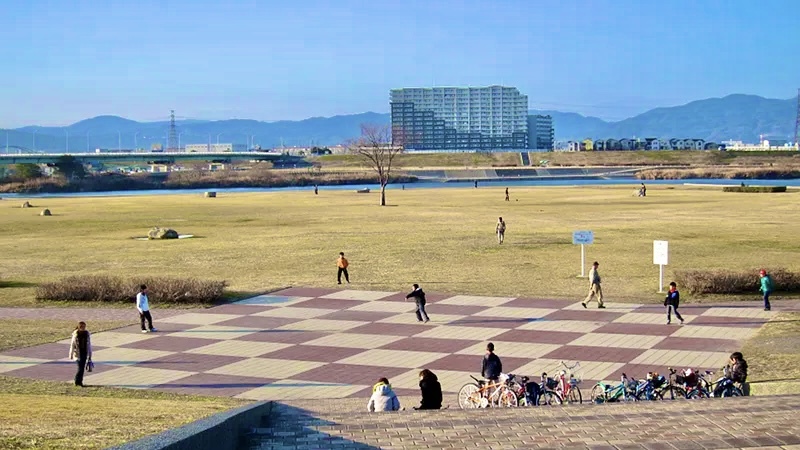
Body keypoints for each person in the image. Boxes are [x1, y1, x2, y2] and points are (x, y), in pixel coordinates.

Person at [68, 321, 92, 387]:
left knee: (82, 368)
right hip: (77, 353)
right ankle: (77, 380)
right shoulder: (75, 334)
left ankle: (80, 382)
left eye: (84, 327)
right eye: (82, 327)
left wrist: (90, 354)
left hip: (84, 353)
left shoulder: (87, 334)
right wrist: (71, 354)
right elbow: (72, 345)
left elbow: (89, 345)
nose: (83, 328)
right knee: (80, 368)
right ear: (79, 327)